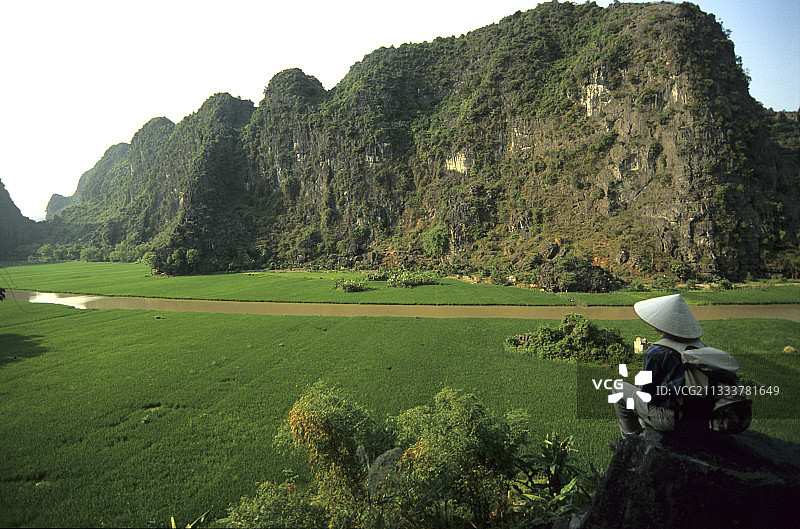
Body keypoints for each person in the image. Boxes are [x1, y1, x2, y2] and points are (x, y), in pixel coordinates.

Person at [615, 293, 706, 436]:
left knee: (618, 388)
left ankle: (630, 439)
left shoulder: (658, 351)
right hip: (702, 417)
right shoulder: (700, 346)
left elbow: (647, 395)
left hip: (674, 420)